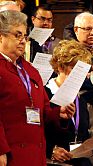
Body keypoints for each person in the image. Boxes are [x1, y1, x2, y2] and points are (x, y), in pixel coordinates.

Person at [0, 10, 74, 166]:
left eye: (25, 36)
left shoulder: (31, 70)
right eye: (17, 35)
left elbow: (44, 109)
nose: (22, 41)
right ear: (1, 37)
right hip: (10, 154)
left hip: (36, 154)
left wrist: (58, 114)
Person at [45, 40, 93, 165]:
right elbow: (36, 132)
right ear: (60, 67)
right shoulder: (45, 94)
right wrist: (51, 150)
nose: (80, 74)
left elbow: (81, 135)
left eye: (83, 70)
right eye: (74, 68)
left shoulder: (81, 98)